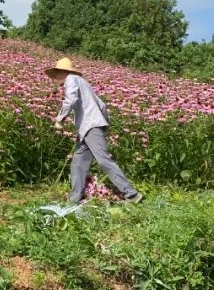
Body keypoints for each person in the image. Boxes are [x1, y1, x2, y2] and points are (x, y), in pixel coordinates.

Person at [46, 57, 142, 205]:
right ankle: (74, 200)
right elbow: (102, 105)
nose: (55, 78)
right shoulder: (83, 83)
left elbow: (70, 100)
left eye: (56, 74)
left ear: (62, 72)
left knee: (103, 160)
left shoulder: (71, 79)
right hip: (89, 127)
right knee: (78, 163)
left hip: (90, 126)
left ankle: (131, 194)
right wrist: (102, 123)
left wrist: (59, 119)